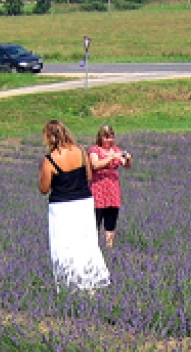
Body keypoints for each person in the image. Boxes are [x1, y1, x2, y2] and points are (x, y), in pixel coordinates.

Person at [38, 120, 110, 290]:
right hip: (84, 202)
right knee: (86, 242)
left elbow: (44, 188)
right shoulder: (80, 152)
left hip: (62, 207)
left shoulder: (50, 160)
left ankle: (69, 285)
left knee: (64, 245)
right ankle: (90, 282)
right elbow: (89, 177)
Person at [87, 124, 132, 249]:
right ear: (100, 137)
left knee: (111, 221)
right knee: (95, 220)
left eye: (111, 137)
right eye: (106, 137)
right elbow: (95, 165)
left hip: (112, 190)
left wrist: (128, 159)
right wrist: (110, 157)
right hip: (98, 190)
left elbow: (125, 164)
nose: (109, 140)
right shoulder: (94, 150)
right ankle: (93, 249)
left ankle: (109, 248)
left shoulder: (116, 150)